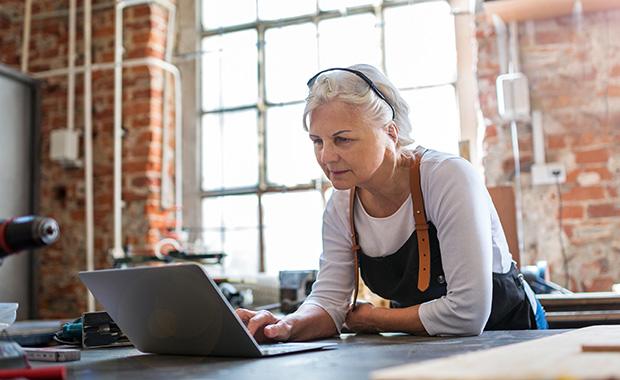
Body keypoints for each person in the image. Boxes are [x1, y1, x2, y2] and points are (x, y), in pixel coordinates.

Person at [235, 64, 547, 342]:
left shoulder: (447, 177)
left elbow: (467, 313)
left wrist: (373, 319)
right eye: (318, 141)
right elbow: (330, 302)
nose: (326, 157)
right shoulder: (341, 204)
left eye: (342, 139)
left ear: (391, 133)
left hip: (512, 339)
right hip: (425, 348)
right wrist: (287, 325)